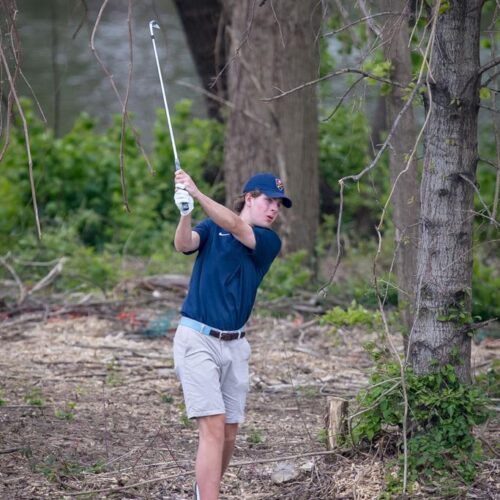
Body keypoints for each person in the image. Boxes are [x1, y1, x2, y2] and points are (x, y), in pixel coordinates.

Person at [172, 170, 292, 500]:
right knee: (213, 426)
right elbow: (184, 244)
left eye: (278, 205)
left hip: (235, 346)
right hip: (197, 339)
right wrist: (186, 214)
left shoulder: (268, 241)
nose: (273, 209)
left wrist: (196, 193)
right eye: (268, 200)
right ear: (249, 198)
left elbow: (238, 227)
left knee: (228, 433)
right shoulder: (212, 227)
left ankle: (204, 489)